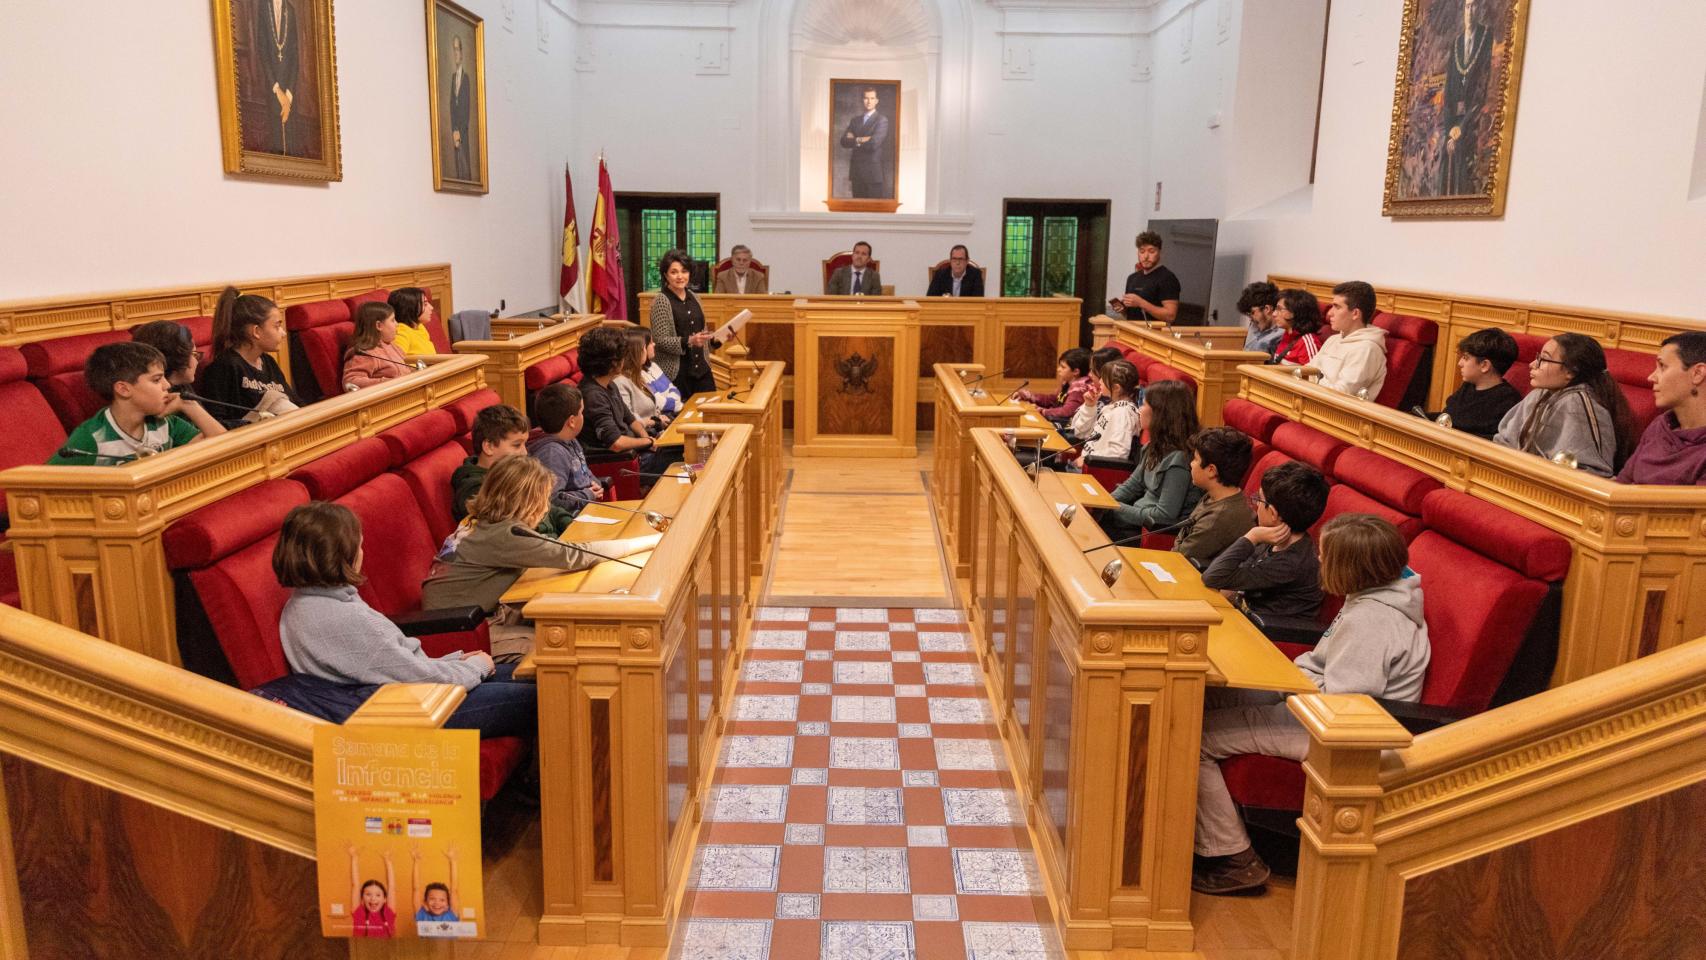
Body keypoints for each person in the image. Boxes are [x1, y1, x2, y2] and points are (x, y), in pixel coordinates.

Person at [1194, 513, 1429, 894]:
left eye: (1326, 554)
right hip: (1311, 702)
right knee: (1204, 697)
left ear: (1350, 567)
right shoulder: (1372, 594)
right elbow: (1326, 670)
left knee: (1196, 737)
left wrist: (1287, 687)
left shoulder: (1373, 621)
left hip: (1344, 735)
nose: (1319, 559)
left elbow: (1343, 703)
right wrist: (1286, 680)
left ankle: (1234, 858)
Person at [273, 501, 537, 738]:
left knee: (539, 674)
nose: (362, 553)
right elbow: (417, 678)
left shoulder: (302, 603)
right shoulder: (342, 618)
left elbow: (392, 667)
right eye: (359, 546)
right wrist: (476, 667)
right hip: (414, 712)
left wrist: (456, 660)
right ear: (342, 555)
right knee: (545, 692)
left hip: (403, 696)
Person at [422, 456, 661, 659]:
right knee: (562, 647)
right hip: (462, 631)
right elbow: (578, 555)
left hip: (470, 618)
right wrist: (651, 541)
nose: (546, 508)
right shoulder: (505, 534)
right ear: (527, 502)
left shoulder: (481, 522)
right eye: (543, 499)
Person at [1201, 461, 1330, 642]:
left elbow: (1213, 577)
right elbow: (1235, 574)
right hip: (1243, 620)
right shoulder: (1275, 537)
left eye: (1259, 500)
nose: (1256, 505)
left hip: (1265, 637)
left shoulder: (1290, 563)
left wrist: (1252, 536)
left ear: (1273, 514)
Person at [48, 343, 225, 464]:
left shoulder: (165, 423)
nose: (167, 385)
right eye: (156, 380)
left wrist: (189, 406)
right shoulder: (92, 438)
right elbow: (44, 488)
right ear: (124, 389)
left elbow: (224, 448)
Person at [1493, 333, 1636, 478]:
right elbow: (1504, 441)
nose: (1533, 364)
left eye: (1544, 359)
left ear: (1571, 372)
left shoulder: (1576, 404)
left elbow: (1588, 473)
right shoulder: (1540, 393)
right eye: (1538, 357)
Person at [1098, 379, 1201, 537]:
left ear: (1161, 413)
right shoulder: (1154, 446)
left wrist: (1115, 507)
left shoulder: (1179, 460)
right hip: (1135, 521)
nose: (1139, 409)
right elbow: (1132, 486)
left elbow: (1163, 516)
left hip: (1149, 535)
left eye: (1144, 404)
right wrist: (1103, 503)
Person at [450, 404, 574, 534]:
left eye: (524, 444)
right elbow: (511, 533)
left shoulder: (514, 474)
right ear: (489, 446)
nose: (524, 452)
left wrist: (569, 524)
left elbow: (546, 506)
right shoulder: (476, 490)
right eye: (516, 445)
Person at [576, 327, 673, 476]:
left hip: (637, 452)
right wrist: (649, 442)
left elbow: (630, 419)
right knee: (681, 456)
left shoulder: (609, 384)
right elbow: (616, 443)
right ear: (612, 362)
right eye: (621, 356)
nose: (624, 360)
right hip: (624, 462)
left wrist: (646, 438)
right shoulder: (593, 396)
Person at [199, 286, 301, 425]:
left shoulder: (268, 361)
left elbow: (294, 401)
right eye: (277, 326)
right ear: (256, 331)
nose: (283, 333)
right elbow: (217, 422)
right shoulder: (223, 367)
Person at [1619, 332, 1706, 486]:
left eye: (1662, 366)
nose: (1651, 377)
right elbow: (1622, 483)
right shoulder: (1660, 425)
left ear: (1697, 373)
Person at [1171, 427, 1256, 567]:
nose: (1191, 464)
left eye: (1195, 459)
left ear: (1211, 470)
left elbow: (1179, 556)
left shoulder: (1219, 516)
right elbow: (1184, 535)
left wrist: (1178, 544)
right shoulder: (1215, 495)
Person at [1294, 280, 1387, 399]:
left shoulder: (1367, 349)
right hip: (1310, 398)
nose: (1329, 313)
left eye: (1337, 307)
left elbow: (1341, 395)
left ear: (1355, 314)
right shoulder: (1333, 339)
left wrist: (1313, 379)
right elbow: (1307, 371)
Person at [1427, 328, 1522, 439]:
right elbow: (1448, 418)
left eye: (1465, 358)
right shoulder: (1468, 386)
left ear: (1484, 365)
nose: (1460, 363)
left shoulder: (1508, 400)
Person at [648, 249, 718, 397]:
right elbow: (660, 340)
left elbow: (702, 336)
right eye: (674, 272)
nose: (680, 276)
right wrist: (690, 341)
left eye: (684, 271)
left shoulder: (695, 297)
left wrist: (719, 339)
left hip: (702, 371)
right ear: (665, 275)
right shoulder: (661, 300)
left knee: (711, 408)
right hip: (676, 374)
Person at [528, 383, 605, 514]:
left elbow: (585, 472)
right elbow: (551, 501)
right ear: (572, 421)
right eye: (581, 412)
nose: (583, 416)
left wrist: (595, 484)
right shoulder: (552, 454)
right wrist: (587, 495)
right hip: (571, 519)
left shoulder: (571, 439)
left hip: (587, 510)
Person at [253, 0, 301, 156]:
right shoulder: (263, 7)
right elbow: (262, 50)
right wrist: (276, 89)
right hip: (272, 86)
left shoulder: (291, 11)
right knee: (275, 135)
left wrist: (288, 96)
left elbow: (295, 57)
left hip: (289, 90)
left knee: (290, 139)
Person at [614, 328, 676, 434]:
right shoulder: (620, 382)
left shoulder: (637, 376)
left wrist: (659, 416)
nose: (646, 351)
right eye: (644, 347)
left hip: (656, 429)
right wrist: (654, 421)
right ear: (636, 352)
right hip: (644, 436)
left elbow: (652, 407)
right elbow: (629, 419)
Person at [341, 302, 409, 390]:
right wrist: (388, 383)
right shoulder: (364, 353)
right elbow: (351, 381)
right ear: (379, 325)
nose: (397, 324)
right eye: (392, 320)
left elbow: (405, 368)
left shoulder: (390, 344)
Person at [1117, 231, 1180, 325]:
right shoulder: (1132, 278)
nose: (1146, 256)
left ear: (1160, 252)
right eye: (1142, 251)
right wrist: (1122, 309)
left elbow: (1170, 316)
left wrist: (1141, 303)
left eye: (1151, 251)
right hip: (1132, 330)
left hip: (1154, 333)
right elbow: (1130, 315)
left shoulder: (1168, 278)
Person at [1014, 348, 1092, 424]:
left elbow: (1066, 412)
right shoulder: (1068, 383)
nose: (1058, 369)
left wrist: (1041, 410)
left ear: (1076, 371)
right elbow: (1052, 400)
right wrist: (1029, 396)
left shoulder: (1079, 389)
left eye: (1063, 367)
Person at [839, 87, 891, 199]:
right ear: (862, 100)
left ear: (876, 100)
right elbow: (843, 141)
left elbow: (873, 144)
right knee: (857, 208)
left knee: (873, 209)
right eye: (866, 98)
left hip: (872, 175)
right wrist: (861, 139)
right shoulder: (855, 120)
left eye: (872, 98)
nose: (869, 101)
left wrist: (854, 139)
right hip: (857, 173)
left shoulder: (882, 120)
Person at [1068, 347, 1126, 441]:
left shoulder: (1118, 408)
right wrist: (1088, 406)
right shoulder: (1097, 393)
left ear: (1105, 373)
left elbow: (1080, 434)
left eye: (1092, 370)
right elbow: (1075, 428)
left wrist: (1089, 407)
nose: (1089, 374)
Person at [129, 320, 201, 389]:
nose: (197, 362)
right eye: (194, 354)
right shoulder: (157, 395)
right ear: (180, 358)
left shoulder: (183, 385)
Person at [1268, 289, 1328, 366]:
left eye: (1279, 309)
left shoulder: (1307, 342)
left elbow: (1312, 372)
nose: (1274, 314)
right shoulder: (1287, 334)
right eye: (1276, 309)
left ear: (1294, 312)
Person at [348, 845, 396, 938]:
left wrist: (388, 862)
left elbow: (392, 887)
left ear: (385, 899)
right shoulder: (359, 912)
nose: (373, 898)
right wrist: (354, 858)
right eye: (368, 894)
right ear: (362, 899)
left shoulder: (389, 912)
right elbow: (355, 885)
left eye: (378, 895)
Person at [448, 36, 475, 182]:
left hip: (463, 133)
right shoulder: (453, 78)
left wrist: (460, 133)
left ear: (462, 53)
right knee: (458, 170)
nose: (455, 53)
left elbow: (466, 110)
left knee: (465, 169)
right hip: (456, 134)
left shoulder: (466, 79)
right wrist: (454, 131)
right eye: (454, 50)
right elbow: (452, 105)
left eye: (457, 49)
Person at [412, 846, 461, 927]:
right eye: (432, 899)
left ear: (448, 903)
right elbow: (416, 889)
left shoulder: (451, 914)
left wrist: (453, 861)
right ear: (425, 902)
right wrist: (416, 862)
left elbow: (454, 890)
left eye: (442, 900)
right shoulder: (421, 915)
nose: (437, 903)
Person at [387, 288, 439, 357]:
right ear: (410, 309)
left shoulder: (419, 326)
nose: (431, 307)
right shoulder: (401, 331)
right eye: (425, 304)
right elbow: (396, 359)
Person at [1236, 282, 1282, 355]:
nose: (1250, 319)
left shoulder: (1281, 335)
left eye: (1252, 313)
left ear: (1267, 309)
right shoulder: (1254, 324)